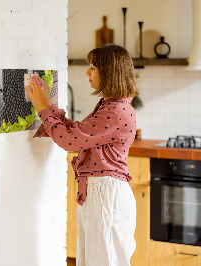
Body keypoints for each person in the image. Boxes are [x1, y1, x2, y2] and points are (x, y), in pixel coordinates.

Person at [26, 44, 138, 266]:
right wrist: (47, 104)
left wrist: (41, 107)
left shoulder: (115, 111)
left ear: (109, 72)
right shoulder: (111, 106)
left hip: (106, 195)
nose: (87, 72)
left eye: (93, 67)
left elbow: (69, 141)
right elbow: (77, 133)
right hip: (101, 193)